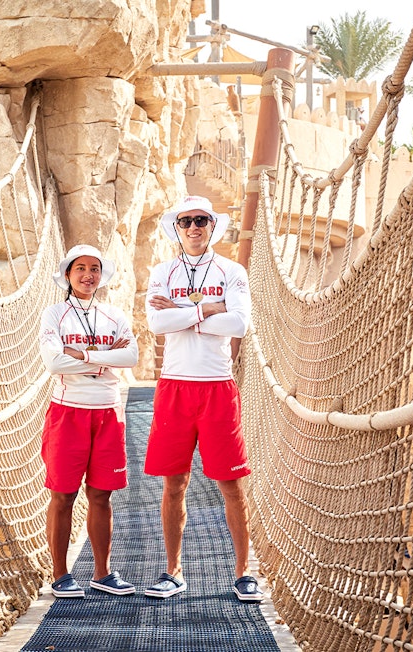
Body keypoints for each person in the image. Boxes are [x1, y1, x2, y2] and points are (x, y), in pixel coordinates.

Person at [142, 195, 263, 602]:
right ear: (176, 228)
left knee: (231, 484)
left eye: (201, 220)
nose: (193, 227)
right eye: (186, 221)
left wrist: (183, 309)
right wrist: (207, 308)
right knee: (173, 485)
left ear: (213, 227)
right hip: (174, 387)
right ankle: (173, 572)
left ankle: (243, 573)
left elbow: (240, 324)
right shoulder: (162, 271)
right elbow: (157, 322)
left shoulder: (232, 271)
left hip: (217, 388)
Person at [38, 244, 139, 598]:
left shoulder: (114, 315)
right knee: (63, 495)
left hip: (108, 412)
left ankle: (102, 573)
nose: (88, 275)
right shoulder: (54, 315)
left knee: (101, 496)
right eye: (80, 268)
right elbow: (53, 364)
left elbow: (132, 356)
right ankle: (60, 574)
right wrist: (105, 359)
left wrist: (79, 354)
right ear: (68, 274)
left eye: (94, 268)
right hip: (68, 411)